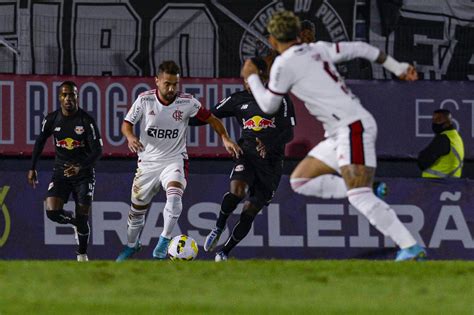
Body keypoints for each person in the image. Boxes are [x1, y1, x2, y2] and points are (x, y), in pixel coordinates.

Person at [241, 11, 426, 261]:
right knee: (301, 181)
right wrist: (399, 67)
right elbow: (362, 47)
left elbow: (268, 106)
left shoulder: (284, 64)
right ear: (296, 33)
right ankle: (370, 186)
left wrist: (251, 76)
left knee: (359, 197)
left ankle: (411, 247)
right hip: (341, 132)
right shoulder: (319, 48)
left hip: (352, 128)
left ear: (273, 40)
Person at [116, 60, 242, 261]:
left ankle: (164, 241)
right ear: (157, 81)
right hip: (147, 163)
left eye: (175, 84)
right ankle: (132, 245)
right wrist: (130, 137)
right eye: (167, 83)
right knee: (137, 210)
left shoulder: (187, 102)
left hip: (174, 160)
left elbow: (212, 119)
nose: (172, 88)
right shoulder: (144, 100)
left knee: (174, 196)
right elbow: (126, 124)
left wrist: (225, 138)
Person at [189, 57, 296, 261]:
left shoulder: (280, 99)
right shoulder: (237, 99)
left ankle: (225, 252)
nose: (247, 81)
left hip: (271, 165)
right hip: (247, 156)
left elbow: (289, 133)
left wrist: (269, 145)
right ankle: (219, 226)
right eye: (246, 77)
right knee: (237, 191)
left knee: (250, 210)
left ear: (264, 76)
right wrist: (180, 116)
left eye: (252, 76)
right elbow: (208, 116)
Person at [27, 81, 103, 262]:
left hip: (83, 174)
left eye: (72, 95)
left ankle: (82, 254)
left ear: (77, 97)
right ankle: (75, 223)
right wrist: (32, 167)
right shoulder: (52, 119)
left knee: (83, 213)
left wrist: (80, 166)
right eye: (65, 95)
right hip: (61, 173)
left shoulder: (86, 120)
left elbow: (98, 151)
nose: (69, 98)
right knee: (52, 211)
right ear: (60, 97)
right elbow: (40, 142)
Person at [418, 109, 464, 178]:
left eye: (438, 120)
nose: (435, 122)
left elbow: (422, 162)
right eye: (433, 120)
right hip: (453, 185)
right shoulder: (457, 138)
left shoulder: (443, 139)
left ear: (448, 122)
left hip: (436, 185)